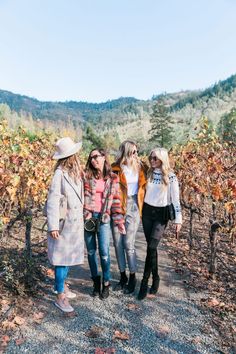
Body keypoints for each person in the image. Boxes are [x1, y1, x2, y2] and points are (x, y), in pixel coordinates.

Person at [137, 147, 182, 300]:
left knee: (151, 247)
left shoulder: (171, 177)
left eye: (155, 158)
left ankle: (144, 282)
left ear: (163, 159)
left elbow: (175, 200)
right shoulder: (148, 173)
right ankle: (156, 277)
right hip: (148, 213)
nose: (152, 160)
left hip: (161, 215)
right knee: (152, 248)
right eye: (151, 157)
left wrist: (178, 219)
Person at [46, 137, 84, 313]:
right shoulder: (59, 174)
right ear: (70, 156)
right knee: (61, 260)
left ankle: (62, 287)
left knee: (67, 258)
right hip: (63, 225)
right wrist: (53, 225)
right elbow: (53, 200)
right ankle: (60, 296)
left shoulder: (74, 173)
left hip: (73, 223)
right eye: (75, 154)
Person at [83, 148, 125, 300]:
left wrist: (119, 221)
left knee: (105, 253)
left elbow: (115, 201)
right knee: (91, 252)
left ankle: (106, 283)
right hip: (88, 217)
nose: (93, 160)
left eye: (96, 157)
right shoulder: (86, 176)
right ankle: (95, 282)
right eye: (91, 157)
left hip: (104, 218)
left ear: (103, 157)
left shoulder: (113, 178)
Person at [112, 140, 147, 294]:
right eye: (133, 151)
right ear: (126, 152)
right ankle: (122, 276)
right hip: (117, 205)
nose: (136, 154)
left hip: (133, 205)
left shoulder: (141, 167)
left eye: (136, 151)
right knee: (118, 243)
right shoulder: (114, 168)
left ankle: (133, 276)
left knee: (128, 243)